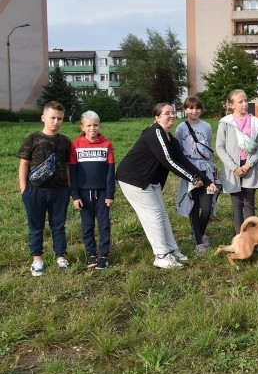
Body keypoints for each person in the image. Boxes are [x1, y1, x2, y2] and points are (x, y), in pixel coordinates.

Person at [117, 103, 215, 269]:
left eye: (173, 112)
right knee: (153, 216)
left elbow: (183, 161)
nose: (171, 115)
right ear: (157, 117)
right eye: (166, 113)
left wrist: (205, 180)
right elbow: (169, 162)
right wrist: (192, 178)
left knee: (162, 214)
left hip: (151, 181)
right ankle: (161, 255)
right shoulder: (155, 133)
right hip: (134, 180)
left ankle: (172, 250)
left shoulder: (171, 138)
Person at [19, 101, 73, 276]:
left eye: (60, 119)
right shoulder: (32, 139)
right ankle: (37, 260)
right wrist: (24, 189)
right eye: (52, 118)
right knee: (36, 227)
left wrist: (69, 187)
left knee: (59, 226)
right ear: (43, 117)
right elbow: (24, 164)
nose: (56, 121)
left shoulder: (65, 141)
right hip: (35, 192)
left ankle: (60, 256)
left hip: (60, 192)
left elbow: (67, 165)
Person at [69, 111, 115, 270]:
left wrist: (110, 194)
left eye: (95, 125)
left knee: (104, 225)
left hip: (103, 194)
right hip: (83, 194)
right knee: (87, 226)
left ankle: (103, 255)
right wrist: (75, 195)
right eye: (88, 125)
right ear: (82, 126)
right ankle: (92, 255)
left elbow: (110, 171)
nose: (92, 128)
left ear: (100, 125)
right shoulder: (76, 145)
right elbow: (73, 173)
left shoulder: (107, 144)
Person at [217, 89, 258, 234]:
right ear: (231, 105)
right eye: (240, 101)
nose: (245, 104)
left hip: (250, 166)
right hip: (233, 168)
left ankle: (252, 239)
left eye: (246, 100)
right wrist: (234, 167)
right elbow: (220, 147)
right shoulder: (225, 123)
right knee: (237, 204)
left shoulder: (255, 122)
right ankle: (240, 239)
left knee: (249, 203)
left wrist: (249, 164)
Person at [175, 96, 217, 255]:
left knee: (206, 208)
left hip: (206, 169)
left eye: (197, 108)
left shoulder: (206, 126)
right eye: (191, 108)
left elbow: (208, 149)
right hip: (189, 170)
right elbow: (178, 151)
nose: (194, 111)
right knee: (194, 206)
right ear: (185, 110)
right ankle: (199, 242)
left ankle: (199, 232)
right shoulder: (181, 128)